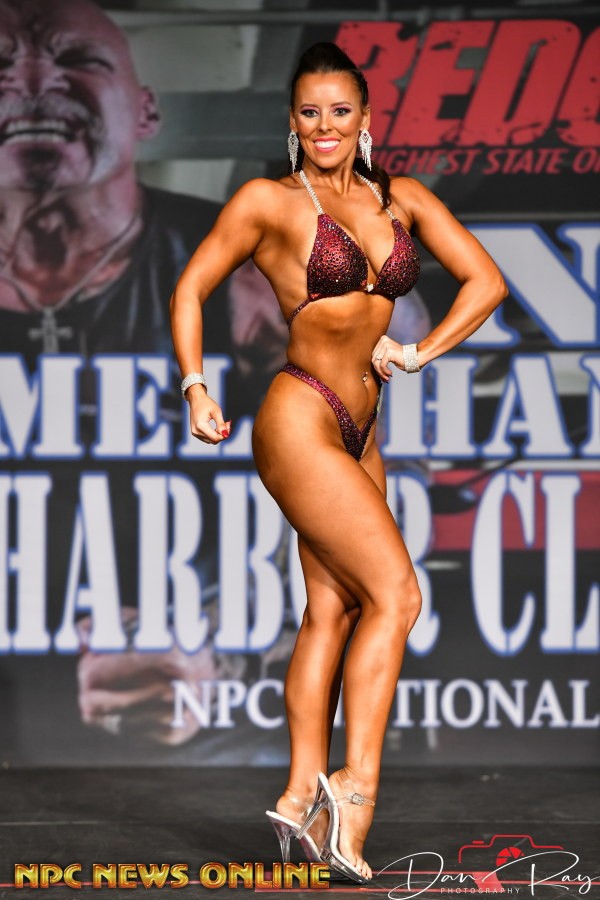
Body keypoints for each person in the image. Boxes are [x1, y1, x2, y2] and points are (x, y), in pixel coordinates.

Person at [171, 42, 507, 883]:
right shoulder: (270, 202)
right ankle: (354, 792)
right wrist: (196, 386)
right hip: (300, 417)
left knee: (333, 609)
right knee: (398, 595)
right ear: (293, 120)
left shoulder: (403, 198)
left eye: (340, 111)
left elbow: (487, 283)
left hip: (364, 426)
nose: (325, 125)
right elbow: (190, 288)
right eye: (310, 111)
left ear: (365, 118)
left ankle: (295, 796)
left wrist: (420, 350)